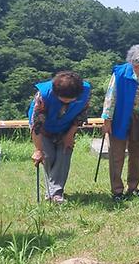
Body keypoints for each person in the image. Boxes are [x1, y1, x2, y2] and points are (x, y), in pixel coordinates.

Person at [102, 45, 139, 202]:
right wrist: (107, 120)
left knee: (136, 154)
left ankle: (133, 187)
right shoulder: (121, 73)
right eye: (134, 66)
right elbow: (111, 96)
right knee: (117, 155)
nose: (137, 70)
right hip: (120, 118)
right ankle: (117, 190)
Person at [28, 71, 91, 204]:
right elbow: (36, 126)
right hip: (44, 129)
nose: (66, 103)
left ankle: (56, 194)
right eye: (63, 100)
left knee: (64, 155)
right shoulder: (43, 96)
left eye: (70, 100)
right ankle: (50, 192)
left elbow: (81, 114)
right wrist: (38, 150)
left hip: (66, 127)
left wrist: (70, 135)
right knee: (48, 156)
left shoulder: (85, 91)